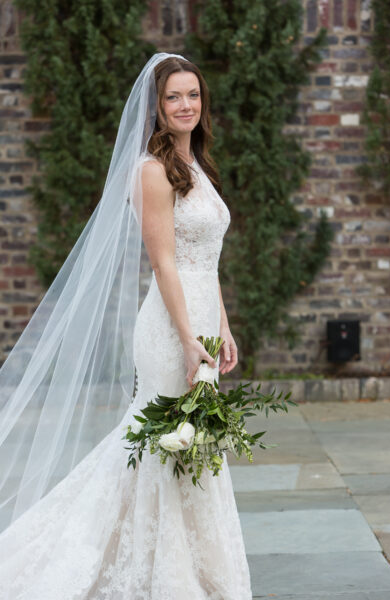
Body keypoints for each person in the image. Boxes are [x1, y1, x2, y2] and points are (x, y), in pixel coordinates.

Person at [0, 53, 252, 599]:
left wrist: (222, 328)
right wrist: (188, 340)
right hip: (169, 329)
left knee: (192, 446)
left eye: (193, 95)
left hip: (202, 318)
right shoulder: (152, 171)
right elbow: (165, 263)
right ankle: (154, 574)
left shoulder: (198, 168)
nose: (186, 105)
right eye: (173, 98)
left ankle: (188, 570)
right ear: (156, 109)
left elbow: (205, 260)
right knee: (162, 441)